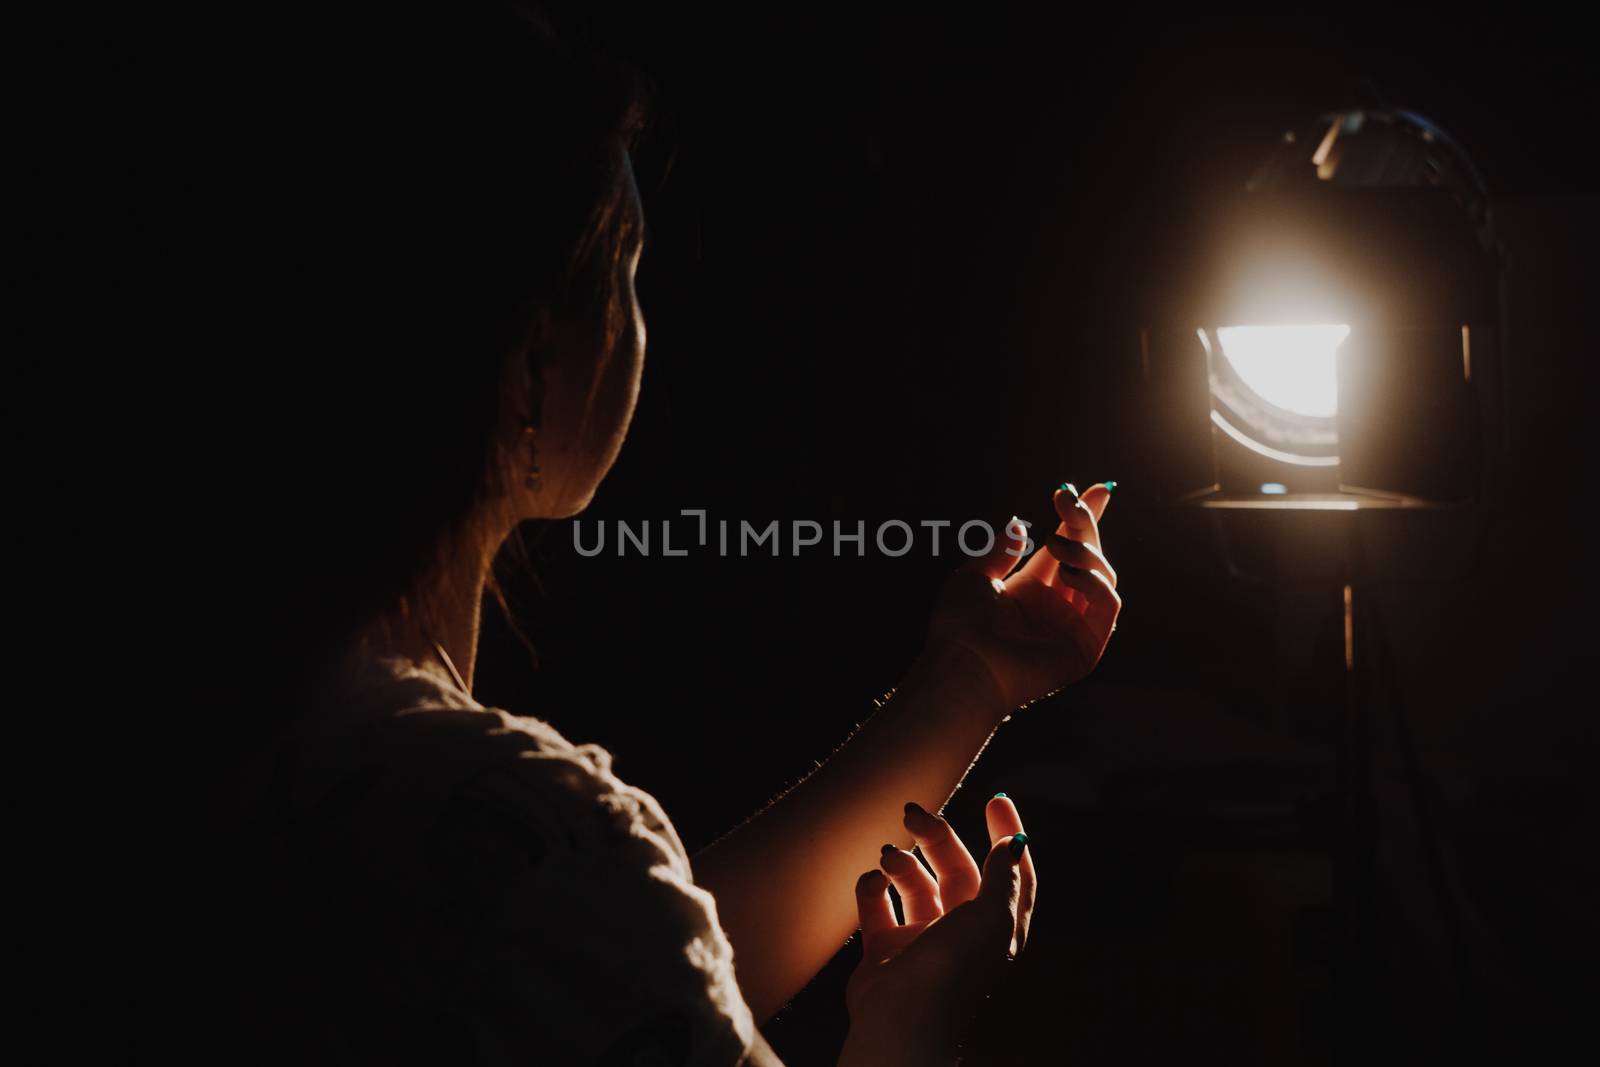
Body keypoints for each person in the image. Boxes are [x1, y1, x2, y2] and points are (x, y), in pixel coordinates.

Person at [194, 4, 1121, 1063]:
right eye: (628, 271)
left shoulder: (281, 746)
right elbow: (590, 936)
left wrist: (970, 680)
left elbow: (612, 971)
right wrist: (914, 1033)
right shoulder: (516, 831)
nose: (647, 321)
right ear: (535, 361)